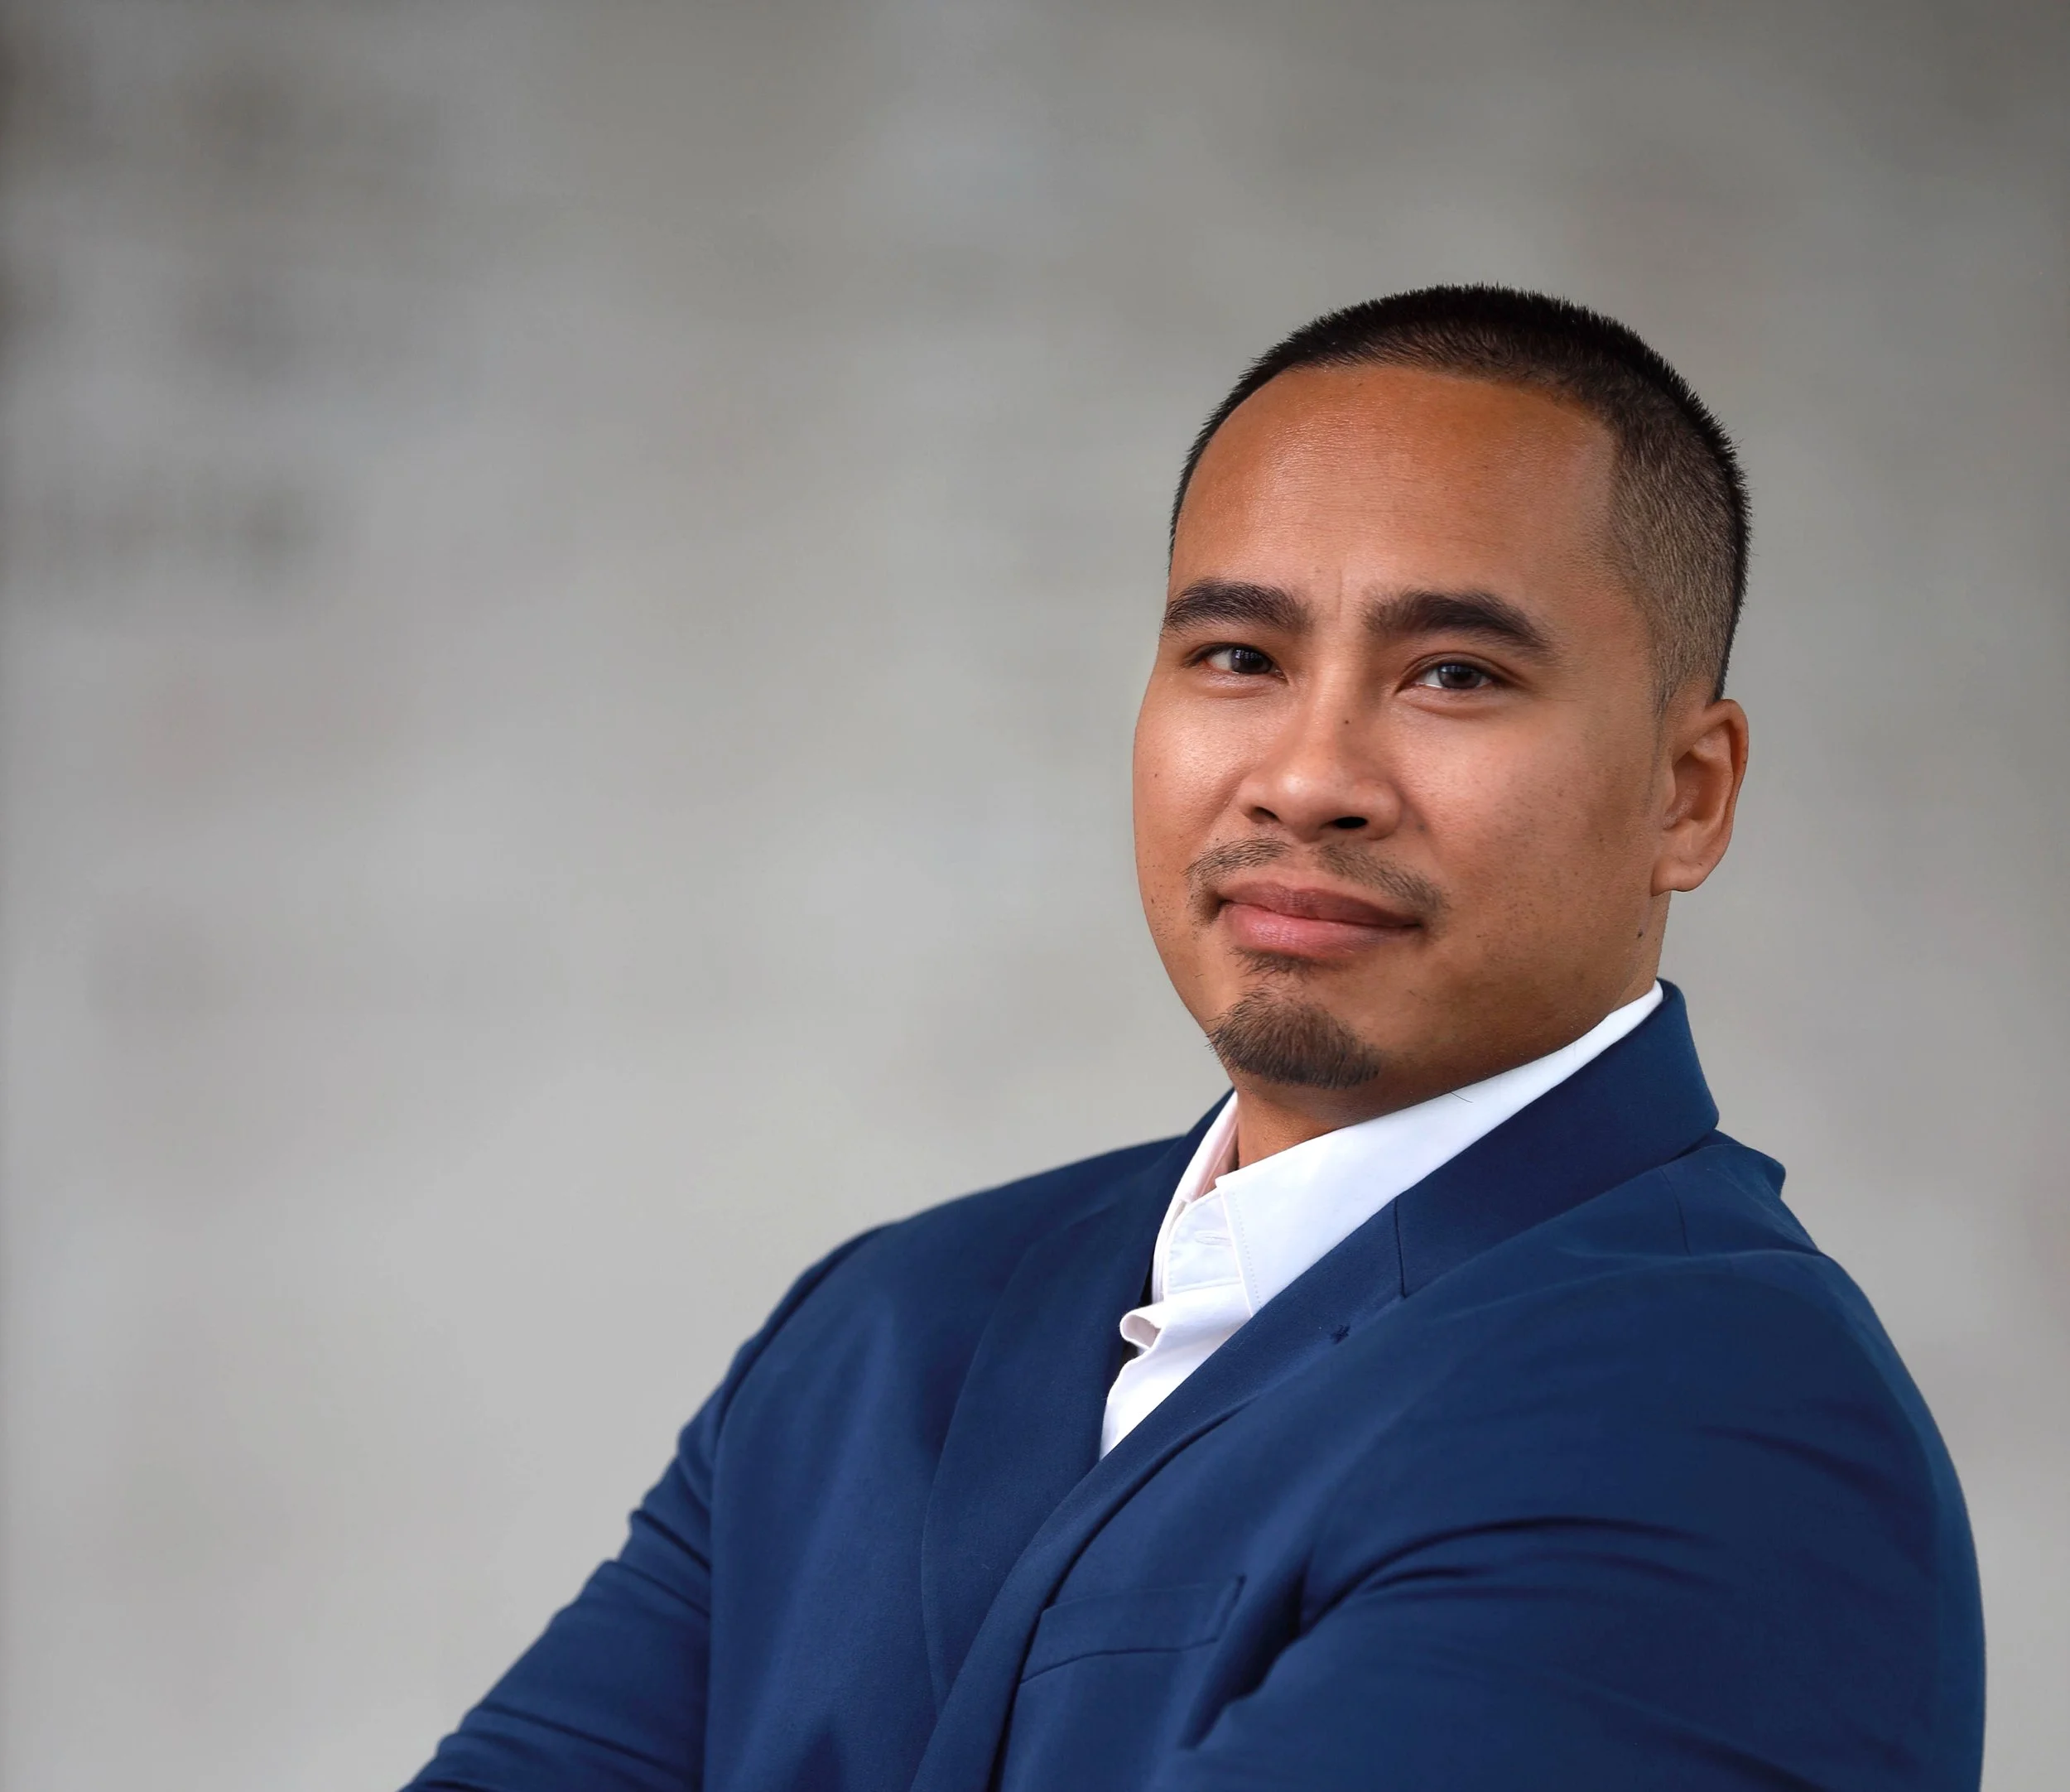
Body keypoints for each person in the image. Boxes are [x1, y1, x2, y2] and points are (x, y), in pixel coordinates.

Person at [405, 287, 1984, 1791]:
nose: (1308, 777)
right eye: (1240, 656)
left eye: (1455, 673)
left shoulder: (1711, 1415)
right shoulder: (890, 1326)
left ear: (1687, 792)